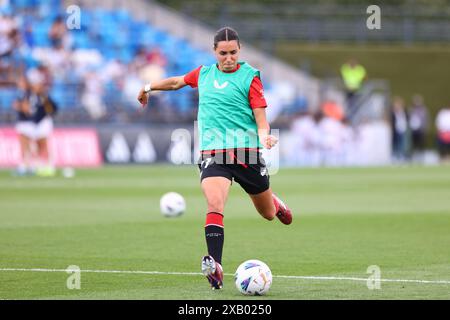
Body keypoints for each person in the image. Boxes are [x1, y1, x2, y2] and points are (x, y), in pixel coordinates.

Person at [137, 27, 293, 290]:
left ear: (239, 51)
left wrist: (265, 136)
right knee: (215, 202)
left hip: (246, 153)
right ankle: (216, 267)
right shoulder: (204, 74)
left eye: (233, 52)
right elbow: (176, 82)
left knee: (266, 213)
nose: (229, 58)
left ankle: (274, 203)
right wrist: (147, 87)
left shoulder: (250, 77)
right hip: (213, 153)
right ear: (214, 52)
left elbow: (260, 117)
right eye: (223, 53)